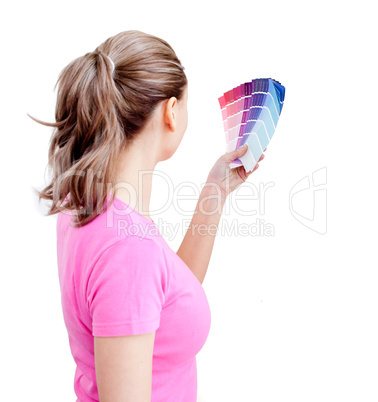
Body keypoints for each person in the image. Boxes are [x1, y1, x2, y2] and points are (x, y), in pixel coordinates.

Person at [33, 30, 265, 402]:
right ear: (171, 112)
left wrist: (216, 190)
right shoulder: (127, 248)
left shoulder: (85, 204)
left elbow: (166, 290)